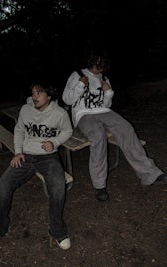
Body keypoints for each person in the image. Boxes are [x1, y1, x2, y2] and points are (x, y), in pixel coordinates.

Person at [62, 51, 167, 202]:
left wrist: (108, 92)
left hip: (104, 111)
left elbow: (106, 105)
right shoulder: (77, 74)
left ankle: (150, 174)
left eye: (102, 66)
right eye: (98, 65)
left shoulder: (104, 78)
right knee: (98, 135)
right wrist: (80, 85)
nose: (100, 70)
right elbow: (67, 99)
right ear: (93, 61)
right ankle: (99, 186)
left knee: (126, 128)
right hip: (84, 115)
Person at [0, 81, 73, 250]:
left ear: (49, 95)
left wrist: (54, 142)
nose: (34, 96)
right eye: (33, 93)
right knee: (3, 186)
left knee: (58, 187)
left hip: (48, 158)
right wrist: (18, 152)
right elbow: (19, 130)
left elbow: (68, 131)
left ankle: (57, 231)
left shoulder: (59, 113)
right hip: (26, 156)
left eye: (39, 93)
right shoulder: (25, 109)